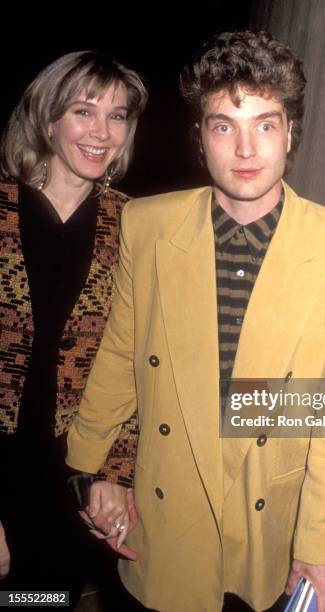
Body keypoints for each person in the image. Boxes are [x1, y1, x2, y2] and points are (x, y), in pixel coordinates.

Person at [67, 31, 325, 612]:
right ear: (199, 138)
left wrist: (323, 542)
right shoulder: (148, 224)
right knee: (48, 600)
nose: (245, 149)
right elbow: (120, 355)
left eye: (264, 124)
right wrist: (87, 468)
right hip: (168, 508)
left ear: (291, 133)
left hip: (266, 511)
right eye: (223, 126)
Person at [0, 51, 147, 607]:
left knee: (41, 600)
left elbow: (140, 362)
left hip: (70, 480)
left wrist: (115, 472)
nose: (102, 132)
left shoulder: (134, 225)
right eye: (84, 111)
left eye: (118, 116)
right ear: (47, 116)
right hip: (3, 467)